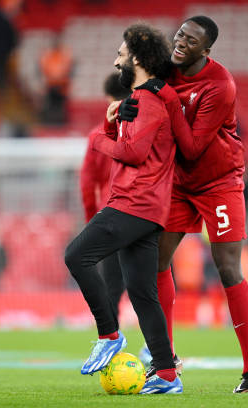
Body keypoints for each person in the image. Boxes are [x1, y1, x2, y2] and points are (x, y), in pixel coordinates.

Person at [124, 16, 248, 393]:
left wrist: (166, 96)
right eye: (180, 35)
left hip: (219, 182)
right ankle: (165, 361)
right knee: (156, 261)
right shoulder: (167, 69)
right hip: (180, 184)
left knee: (227, 267)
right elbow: (138, 88)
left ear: (206, 50)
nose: (181, 42)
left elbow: (193, 148)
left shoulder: (220, 85)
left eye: (191, 39)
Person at [64, 24, 182, 394]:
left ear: (138, 59)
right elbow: (130, 144)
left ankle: (109, 333)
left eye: (120, 54)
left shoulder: (148, 101)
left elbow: (132, 154)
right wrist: (109, 123)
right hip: (147, 208)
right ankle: (166, 374)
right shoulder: (143, 101)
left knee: (75, 256)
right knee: (143, 293)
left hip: (134, 204)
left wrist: (97, 137)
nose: (116, 61)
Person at [79, 72, 131, 317]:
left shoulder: (97, 136)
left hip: (109, 217)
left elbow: (87, 184)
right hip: (144, 214)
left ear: (108, 98)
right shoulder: (147, 130)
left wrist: (92, 219)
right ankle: (161, 347)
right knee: (153, 284)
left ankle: (111, 342)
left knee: (111, 286)